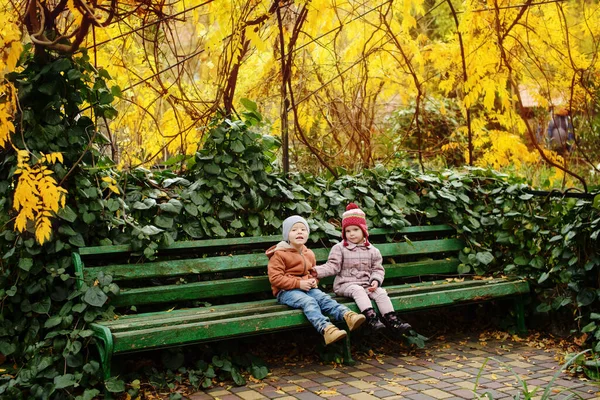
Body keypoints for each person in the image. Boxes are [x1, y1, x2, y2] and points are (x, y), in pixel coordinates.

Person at [312, 203, 412, 335]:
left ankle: (392, 320)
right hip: (345, 285)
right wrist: (316, 271)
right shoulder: (340, 248)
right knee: (358, 290)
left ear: (363, 230)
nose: (351, 234)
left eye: (355, 230)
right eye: (348, 231)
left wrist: (375, 281)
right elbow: (332, 266)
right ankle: (372, 319)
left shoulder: (373, 250)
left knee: (380, 292)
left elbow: (378, 269)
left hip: (366, 284)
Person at [266, 215, 366, 345]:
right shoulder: (279, 254)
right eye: (294, 230)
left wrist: (313, 281)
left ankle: (347, 316)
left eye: (303, 229)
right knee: (309, 302)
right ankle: (327, 329)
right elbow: (275, 278)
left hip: (307, 288)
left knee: (323, 298)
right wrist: (298, 283)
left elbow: (312, 273)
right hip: (286, 292)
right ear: (287, 234)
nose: (299, 232)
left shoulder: (309, 253)